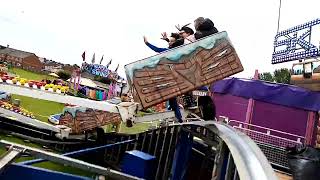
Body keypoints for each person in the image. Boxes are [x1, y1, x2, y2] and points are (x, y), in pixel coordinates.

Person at [143, 34, 184, 122]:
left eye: (171, 41)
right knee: (172, 102)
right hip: (173, 78)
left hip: (172, 78)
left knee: (172, 100)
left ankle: (179, 119)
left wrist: (147, 43)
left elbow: (158, 49)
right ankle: (179, 119)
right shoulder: (176, 50)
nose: (169, 42)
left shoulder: (170, 51)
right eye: (169, 41)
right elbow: (174, 43)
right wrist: (167, 39)